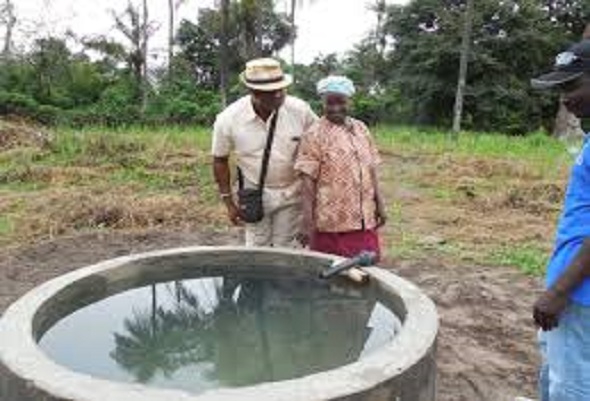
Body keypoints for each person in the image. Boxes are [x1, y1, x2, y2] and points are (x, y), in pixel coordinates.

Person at [532, 39, 590, 401]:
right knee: (558, 372)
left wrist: (558, 292)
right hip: (576, 287)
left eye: (572, 85)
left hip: (579, 294)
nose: (565, 98)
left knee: (571, 385)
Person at [211, 58, 317, 247]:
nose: (278, 96)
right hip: (254, 195)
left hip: (292, 193)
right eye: (270, 92)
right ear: (253, 92)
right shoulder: (229, 119)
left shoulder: (300, 111)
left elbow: (319, 145)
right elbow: (220, 160)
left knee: (286, 252)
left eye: (281, 89)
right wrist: (229, 204)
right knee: (257, 251)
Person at [294, 76, 386, 261]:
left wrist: (380, 204)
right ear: (323, 103)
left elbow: (371, 169)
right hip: (330, 223)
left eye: (341, 102)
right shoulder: (314, 134)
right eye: (330, 102)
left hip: (363, 219)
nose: (336, 108)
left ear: (350, 101)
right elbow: (307, 181)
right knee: (332, 275)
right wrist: (307, 221)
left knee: (365, 271)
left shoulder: (361, 129)